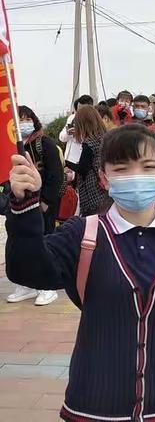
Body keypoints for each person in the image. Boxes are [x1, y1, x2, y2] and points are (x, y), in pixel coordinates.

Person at [6, 123, 155, 421]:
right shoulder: (84, 233)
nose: (136, 175)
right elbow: (26, 270)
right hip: (92, 408)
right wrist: (24, 205)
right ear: (104, 177)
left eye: (147, 166)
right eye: (122, 167)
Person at [6, 105, 64, 307]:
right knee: (20, 240)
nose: (23, 123)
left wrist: (46, 201)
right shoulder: (12, 147)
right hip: (22, 205)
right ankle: (26, 284)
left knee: (45, 240)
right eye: (19, 119)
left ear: (34, 120)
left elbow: (57, 175)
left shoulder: (44, 143)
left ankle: (47, 287)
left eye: (26, 118)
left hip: (45, 204)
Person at [71, 105, 108, 217]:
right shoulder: (106, 137)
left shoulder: (89, 143)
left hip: (93, 192)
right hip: (107, 190)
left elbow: (83, 169)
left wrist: (66, 164)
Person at [59, 94, 94, 168]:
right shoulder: (72, 118)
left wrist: (79, 133)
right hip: (68, 159)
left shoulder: (93, 122)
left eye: (82, 109)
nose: (79, 112)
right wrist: (68, 133)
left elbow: (91, 142)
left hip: (80, 161)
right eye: (78, 109)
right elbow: (62, 138)